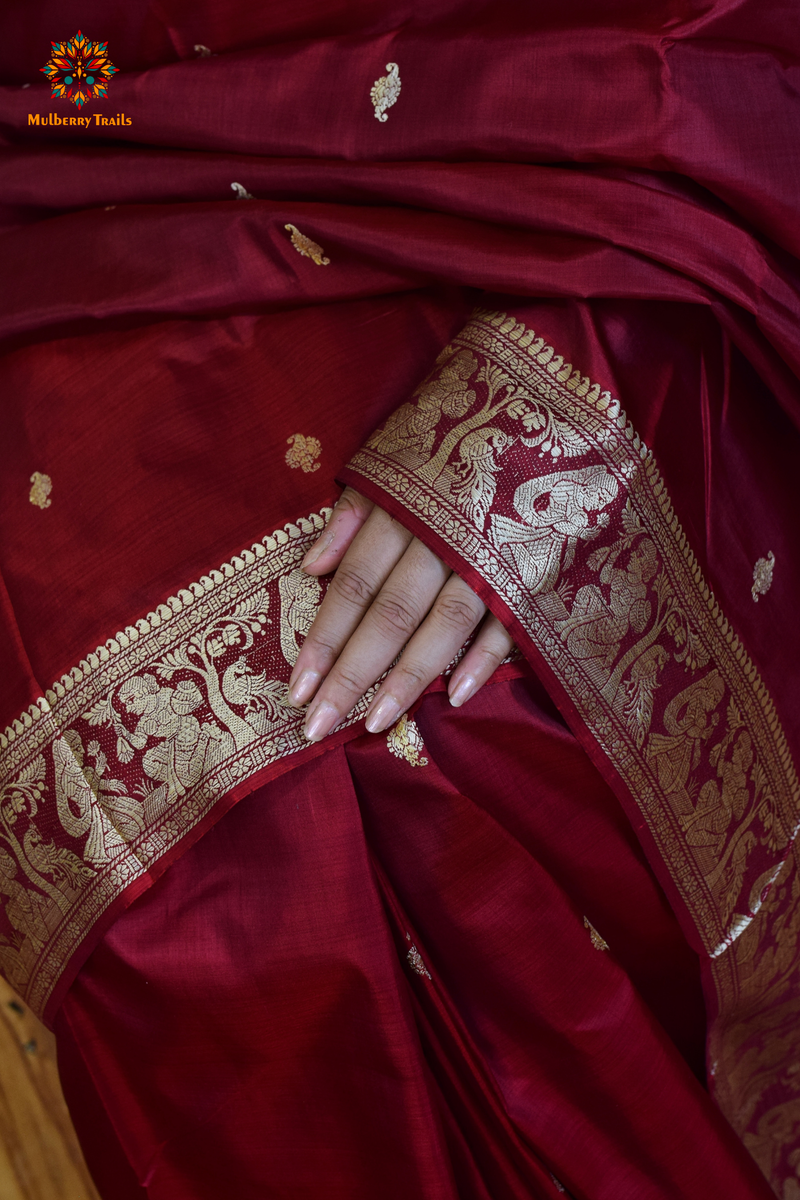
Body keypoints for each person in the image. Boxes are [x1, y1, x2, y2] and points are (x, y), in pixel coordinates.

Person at [0, 1, 798, 1196]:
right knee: (173, 832)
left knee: (444, 733)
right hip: (75, 121)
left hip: (556, 103)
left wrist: (543, 404)